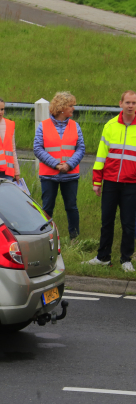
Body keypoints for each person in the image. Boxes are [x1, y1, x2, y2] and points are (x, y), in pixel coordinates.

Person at [84, 90, 136, 273]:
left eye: (134, 103)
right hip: (111, 182)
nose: (131, 106)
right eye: (128, 102)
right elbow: (101, 155)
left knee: (129, 223)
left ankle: (126, 259)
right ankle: (103, 257)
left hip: (132, 183)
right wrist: (97, 181)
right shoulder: (110, 125)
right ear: (120, 103)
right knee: (107, 220)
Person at [34, 92, 85, 240]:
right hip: (49, 175)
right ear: (62, 107)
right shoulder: (43, 126)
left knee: (71, 207)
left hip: (70, 175)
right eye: (70, 106)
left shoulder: (75, 126)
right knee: (47, 208)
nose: (73, 108)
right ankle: (45, 237)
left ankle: (74, 238)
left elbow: (81, 148)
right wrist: (56, 165)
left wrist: (69, 165)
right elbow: (37, 148)